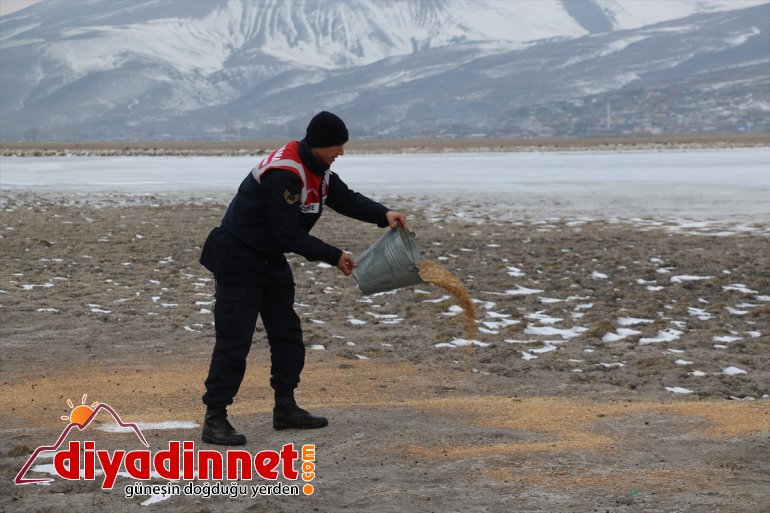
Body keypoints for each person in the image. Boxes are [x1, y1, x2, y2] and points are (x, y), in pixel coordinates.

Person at [198, 111, 407, 445]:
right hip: (238, 258)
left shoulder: (320, 171)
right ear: (320, 143)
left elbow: (346, 199)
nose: (341, 151)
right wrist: (335, 255)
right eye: (337, 145)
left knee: (288, 335)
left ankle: (285, 407)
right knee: (234, 341)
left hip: (269, 260)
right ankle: (215, 418)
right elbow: (287, 235)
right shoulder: (284, 172)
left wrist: (383, 215)